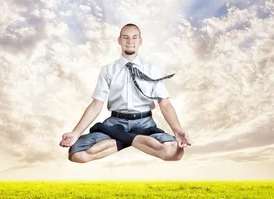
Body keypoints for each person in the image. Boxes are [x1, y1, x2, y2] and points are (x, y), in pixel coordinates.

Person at [59, 23, 191, 163]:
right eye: (125, 37)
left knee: (175, 152)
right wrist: (75, 133)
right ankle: (134, 138)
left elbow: (164, 103)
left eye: (134, 37)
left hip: (144, 124)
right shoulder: (108, 70)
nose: (130, 41)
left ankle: (121, 136)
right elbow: (96, 104)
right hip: (115, 122)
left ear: (140, 41)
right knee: (77, 154)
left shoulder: (152, 69)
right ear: (119, 40)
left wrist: (178, 130)